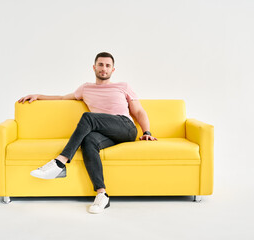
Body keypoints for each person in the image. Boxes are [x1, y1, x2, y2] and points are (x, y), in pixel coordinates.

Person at [18, 52, 157, 214]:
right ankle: (102, 194)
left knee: (88, 118)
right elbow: (63, 98)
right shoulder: (85, 88)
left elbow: (139, 111)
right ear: (94, 67)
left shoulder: (123, 86)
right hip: (104, 132)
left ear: (113, 70)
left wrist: (147, 131)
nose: (103, 68)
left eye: (107, 65)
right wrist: (38, 96)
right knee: (88, 140)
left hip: (125, 127)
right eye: (100, 65)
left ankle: (59, 163)